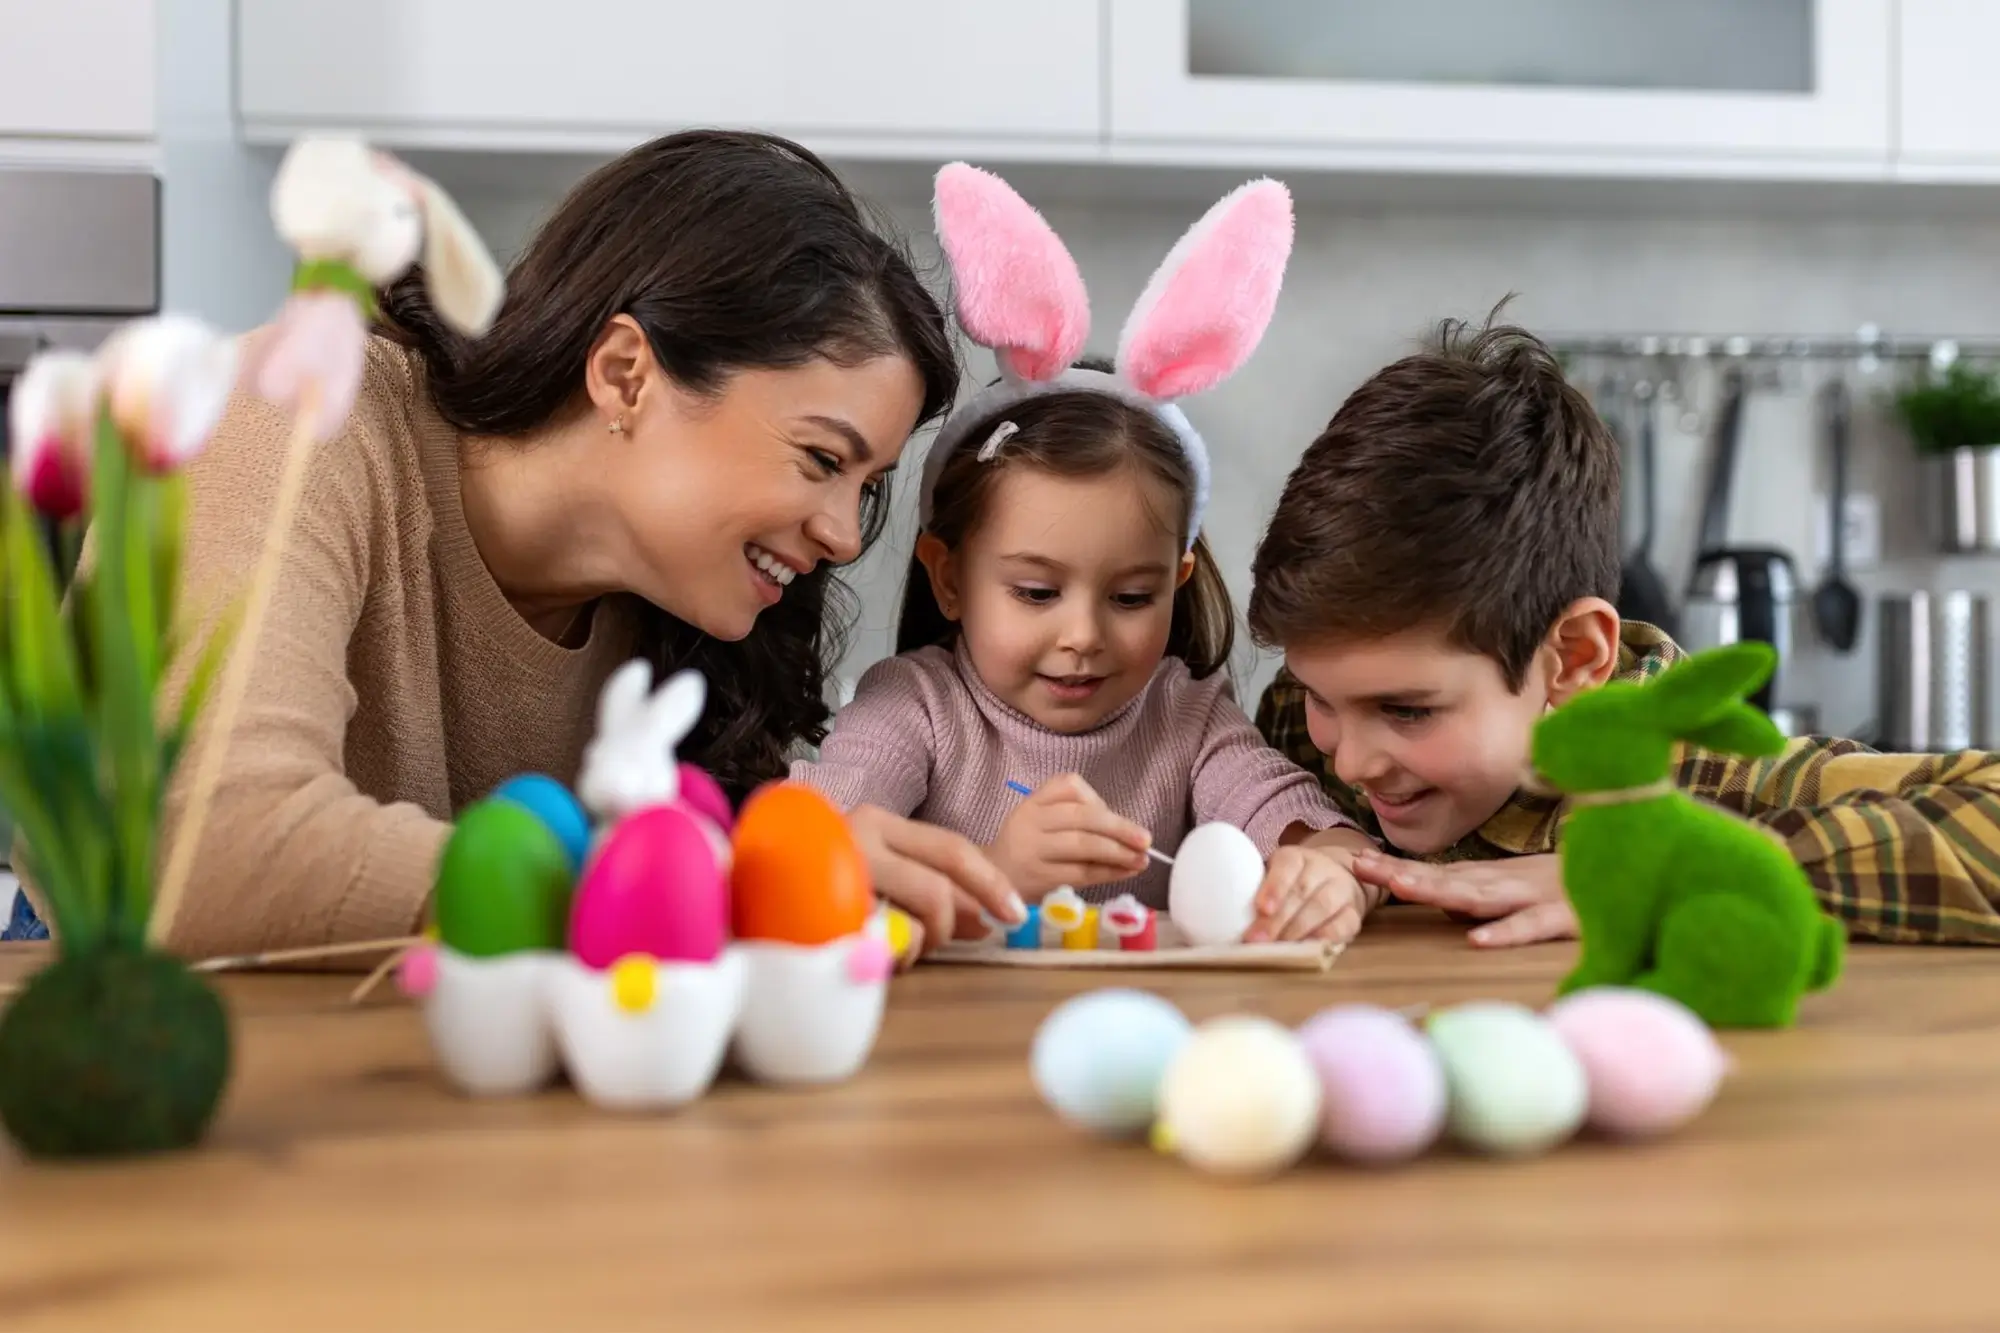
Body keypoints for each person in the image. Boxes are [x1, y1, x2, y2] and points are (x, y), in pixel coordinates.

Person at [45, 130, 1030, 959]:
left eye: (865, 489)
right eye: (820, 458)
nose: (841, 535)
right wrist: (717, 887)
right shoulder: (296, 412)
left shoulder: (687, 625)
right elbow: (196, 849)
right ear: (624, 373)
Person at [1249, 312, 2000, 948]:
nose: (1348, 762)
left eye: (1407, 711)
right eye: (1320, 696)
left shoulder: (1693, 768)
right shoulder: (1297, 719)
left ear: (1573, 659)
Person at [793, 164, 1376, 952]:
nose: (1083, 635)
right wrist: (1000, 872)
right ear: (950, 577)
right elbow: (806, 855)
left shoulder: (1189, 719)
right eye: (1036, 591)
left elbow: (1314, 833)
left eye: (1131, 597)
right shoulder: (917, 708)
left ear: (1177, 581)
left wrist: (1330, 877)